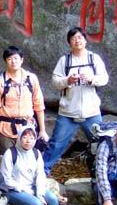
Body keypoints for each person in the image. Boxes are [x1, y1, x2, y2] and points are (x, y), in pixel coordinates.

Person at [43, 27, 109, 174]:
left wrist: (91, 79)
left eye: (80, 37)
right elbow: (55, 81)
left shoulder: (93, 58)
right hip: (68, 111)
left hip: (91, 111)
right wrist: (68, 80)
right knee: (56, 143)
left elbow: (104, 78)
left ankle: (103, 173)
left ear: (85, 40)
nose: (77, 40)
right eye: (73, 38)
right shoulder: (64, 61)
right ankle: (42, 172)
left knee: (101, 143)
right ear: (69, 42)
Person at [0, 126, 68, 205]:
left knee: (52, 198)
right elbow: (5, 179)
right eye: (25, 137)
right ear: (19, 138)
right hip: (13, 190)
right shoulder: (10, 153)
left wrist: (40, 193)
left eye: (31, 138)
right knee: (36, 203)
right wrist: (27, 191)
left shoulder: (36, 153)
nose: (28, 141)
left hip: (32, 186)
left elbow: (40, 174)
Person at [0, 46, 48, 154]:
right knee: (8, 158)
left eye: (16, 58)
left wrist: (42, 130)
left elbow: (39, 105)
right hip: (5, 129)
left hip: (27, 128)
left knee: (26, 159)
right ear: (5, 61)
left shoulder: (31, 79)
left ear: (22, 60)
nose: (13, 61)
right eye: (9, 59)